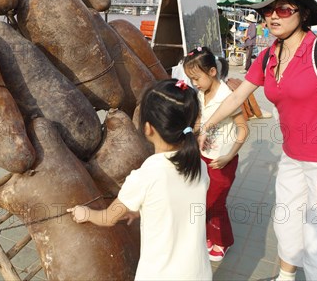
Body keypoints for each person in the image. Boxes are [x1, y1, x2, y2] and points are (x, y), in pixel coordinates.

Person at [198, 0, 317, 281]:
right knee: (286, 224)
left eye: (284, 9)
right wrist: (206, 125)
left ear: (303, 15)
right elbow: (237, 96)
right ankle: (285, 278)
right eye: (268, 10)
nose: (273, 16)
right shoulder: (268, 55)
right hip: (292, 157)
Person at [68, 79, 212, 280]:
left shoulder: (147, 174)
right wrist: (142, 208)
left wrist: (85, 213)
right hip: (199, 272)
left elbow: (109, 218)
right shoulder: (200, 166)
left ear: (148, 128)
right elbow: (179, 201)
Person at [183, 47, 249, 262]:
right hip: (203, 156)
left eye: (197, 78)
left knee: (216, 203)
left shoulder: (227, 96)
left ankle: (223, 241)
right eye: (191, 79)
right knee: (201, 200)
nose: (195, 84)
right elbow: (200, 121)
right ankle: (208, 237)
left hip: (222, 160)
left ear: (212, 71)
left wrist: (230, 156)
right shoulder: (201, 93)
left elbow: (243, 129)